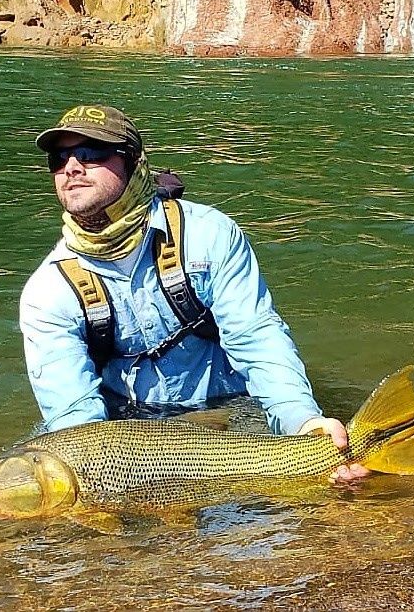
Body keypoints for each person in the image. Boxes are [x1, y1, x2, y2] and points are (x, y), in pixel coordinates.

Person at [20, 104, 367, 482]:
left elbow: (257, 339)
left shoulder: (209, 235)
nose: (71, 167)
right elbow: (74, 418)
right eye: (59, 158)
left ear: (134, 162)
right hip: (129, 433)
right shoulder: (47, 292)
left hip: (235, 411)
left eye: (91, 153)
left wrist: (302, 421)